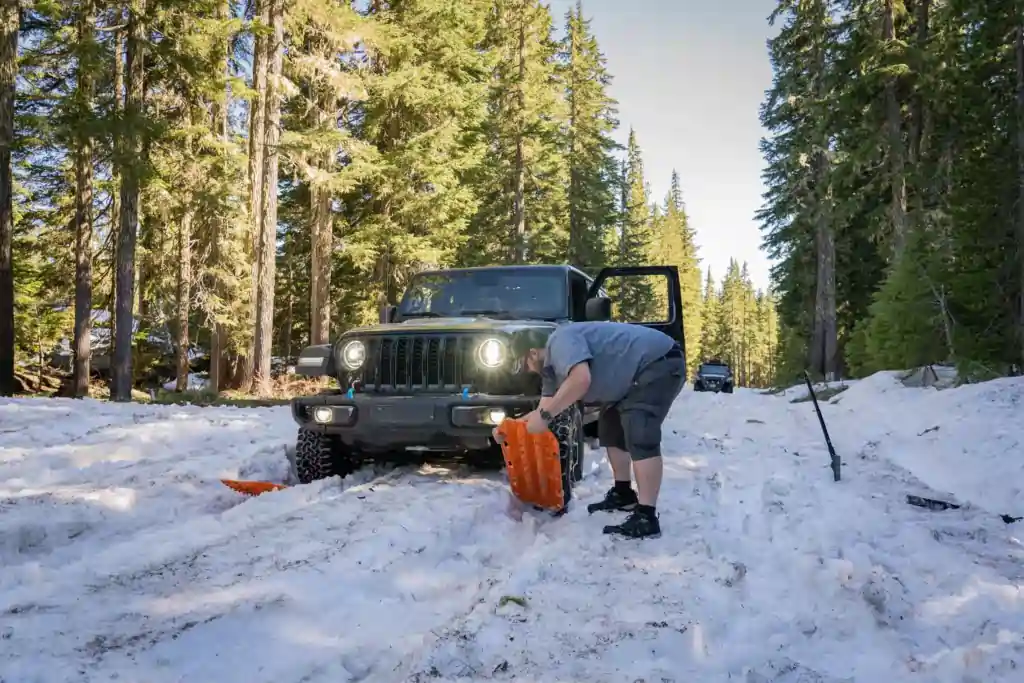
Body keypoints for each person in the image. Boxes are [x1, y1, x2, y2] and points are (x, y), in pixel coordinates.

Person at [497, 321, 686, 539]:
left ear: (532, 353)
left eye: (523, 365)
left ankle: (647, 516)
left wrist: (546, 416)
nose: (527, 371)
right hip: (630, 379)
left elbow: (581, 380)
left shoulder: (560, 341)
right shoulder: (550, 371)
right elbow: (544, 410)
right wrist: (510, 428)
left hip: (658, 363)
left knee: (640, 429)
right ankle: (623, 493)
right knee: (610, 426)